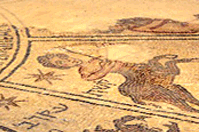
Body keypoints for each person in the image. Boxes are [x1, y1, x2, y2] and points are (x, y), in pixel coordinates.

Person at [39, 52, 199, 112]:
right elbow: (92, 77)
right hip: (135, 77)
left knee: (172, 85)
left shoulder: (89, 56)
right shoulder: (84, 70)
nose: (67, 60)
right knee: (164, 91)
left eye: (63, 58)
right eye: (61, 63)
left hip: (137, 69)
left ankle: (194, 102)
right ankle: (188, 108)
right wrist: (107, 69)